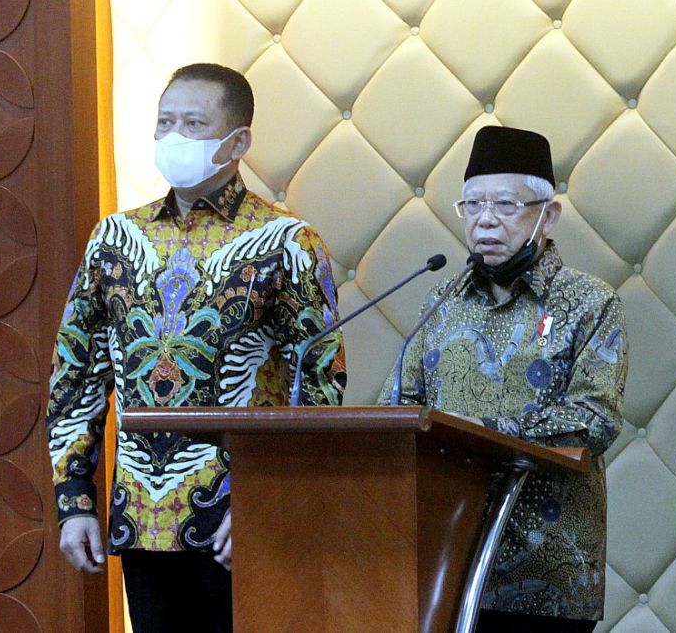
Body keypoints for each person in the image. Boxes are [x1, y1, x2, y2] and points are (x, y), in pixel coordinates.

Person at [47, 63, 345, 632]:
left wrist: (272, 500)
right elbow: (76, 376)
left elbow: (321, 386)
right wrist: (74, 500)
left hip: (242, 518)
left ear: (237, 142)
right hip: (142, 517)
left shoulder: (288, 242)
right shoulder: (114, 238)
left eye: (193, 122)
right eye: (165, 122)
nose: (174, 135)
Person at [379, 126, 627, 632]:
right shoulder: (440, 302)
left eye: (506, 206)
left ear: (548, 214)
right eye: (472, 206)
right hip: (442, 554)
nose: (486, 221)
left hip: (547, 566)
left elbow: (595, 419)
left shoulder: (590, 301)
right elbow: (398, 411)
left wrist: (477, 432)